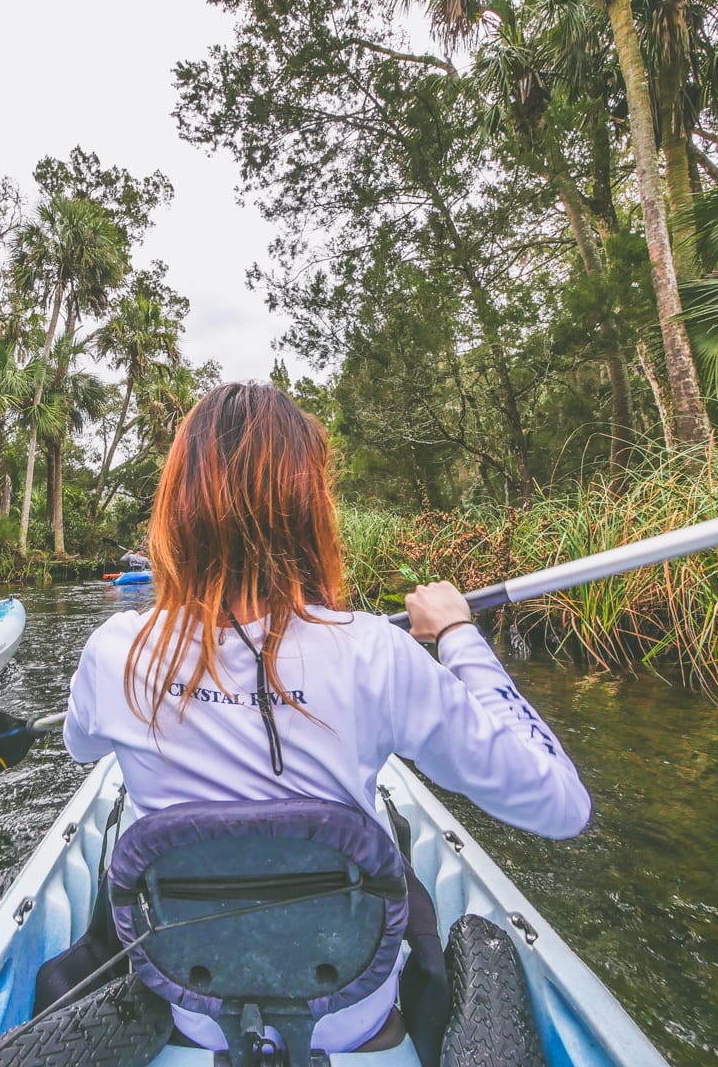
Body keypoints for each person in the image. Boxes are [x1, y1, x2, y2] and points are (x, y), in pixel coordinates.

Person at [63, 382, 590, 1055]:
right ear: (309, 510)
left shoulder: (115, 653)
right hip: (357, 1015)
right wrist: (458, 634)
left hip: (191, 1004)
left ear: (178, 510)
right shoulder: (374, 652)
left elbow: (80, 749)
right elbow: (561, 805)